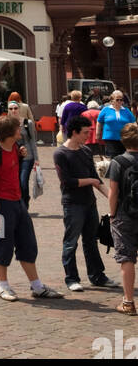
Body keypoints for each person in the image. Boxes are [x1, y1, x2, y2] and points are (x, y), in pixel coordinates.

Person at [0, 113, 63, 302]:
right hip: (2, 204)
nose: (21, 130)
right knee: (3, 245)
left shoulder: (15, 148)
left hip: (18, 202)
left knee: (27, 243)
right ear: (10, 132)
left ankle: (37, 286)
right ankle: (3, 286)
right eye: (18, 128)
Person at [53, 116, 117, 292]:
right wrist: (90, 180)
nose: (88, 136)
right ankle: (71, 278)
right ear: (74, 132)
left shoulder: (86, 151)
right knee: (70, 242)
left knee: (91, 240)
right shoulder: (60, 153)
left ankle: (97, 276)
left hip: (89, 203)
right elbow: (68, 182)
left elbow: (97, 181)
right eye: (85, 133)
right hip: (73, 204)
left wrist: (113, 198)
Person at [107, 121, 138, 316]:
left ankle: (128, 302)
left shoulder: (118, 161)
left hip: (125, 215)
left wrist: (112, 215)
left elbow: (113, 192)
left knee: (127, 258)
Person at [97, 91, 137, 158]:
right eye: (117, 99)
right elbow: (99, 121)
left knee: (124, 158)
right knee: (113, 157)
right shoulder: (105, 110)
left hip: (124, 139)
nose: (119, 101)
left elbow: (133, 123)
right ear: (112, 100)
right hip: (110, 138)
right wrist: (97, 134)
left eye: (121, 99)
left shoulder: (126, 110)